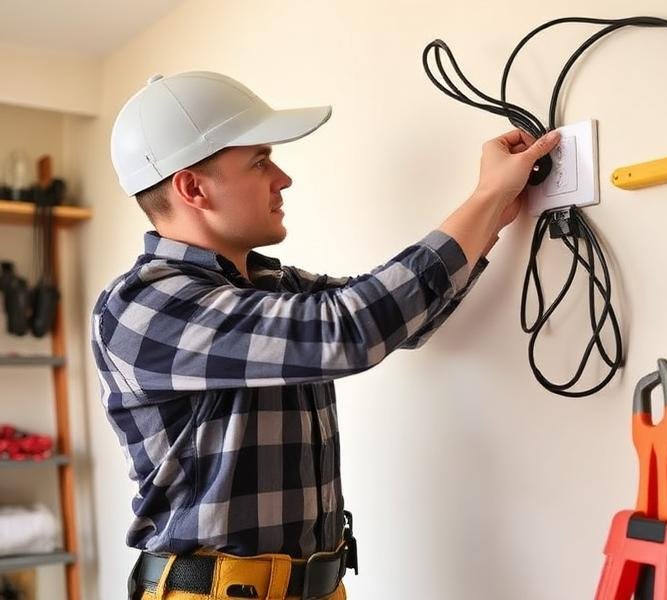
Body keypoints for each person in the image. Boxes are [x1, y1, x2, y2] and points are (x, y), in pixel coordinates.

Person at [91, 71, 560, 600]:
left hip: (316, 586)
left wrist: (494, 215)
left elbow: (402, 321)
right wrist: (484, 196)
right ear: (193, 188)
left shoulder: (271, 285)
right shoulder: (143, 305)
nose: (282, 178)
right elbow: (349, 328)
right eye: (260, 161)